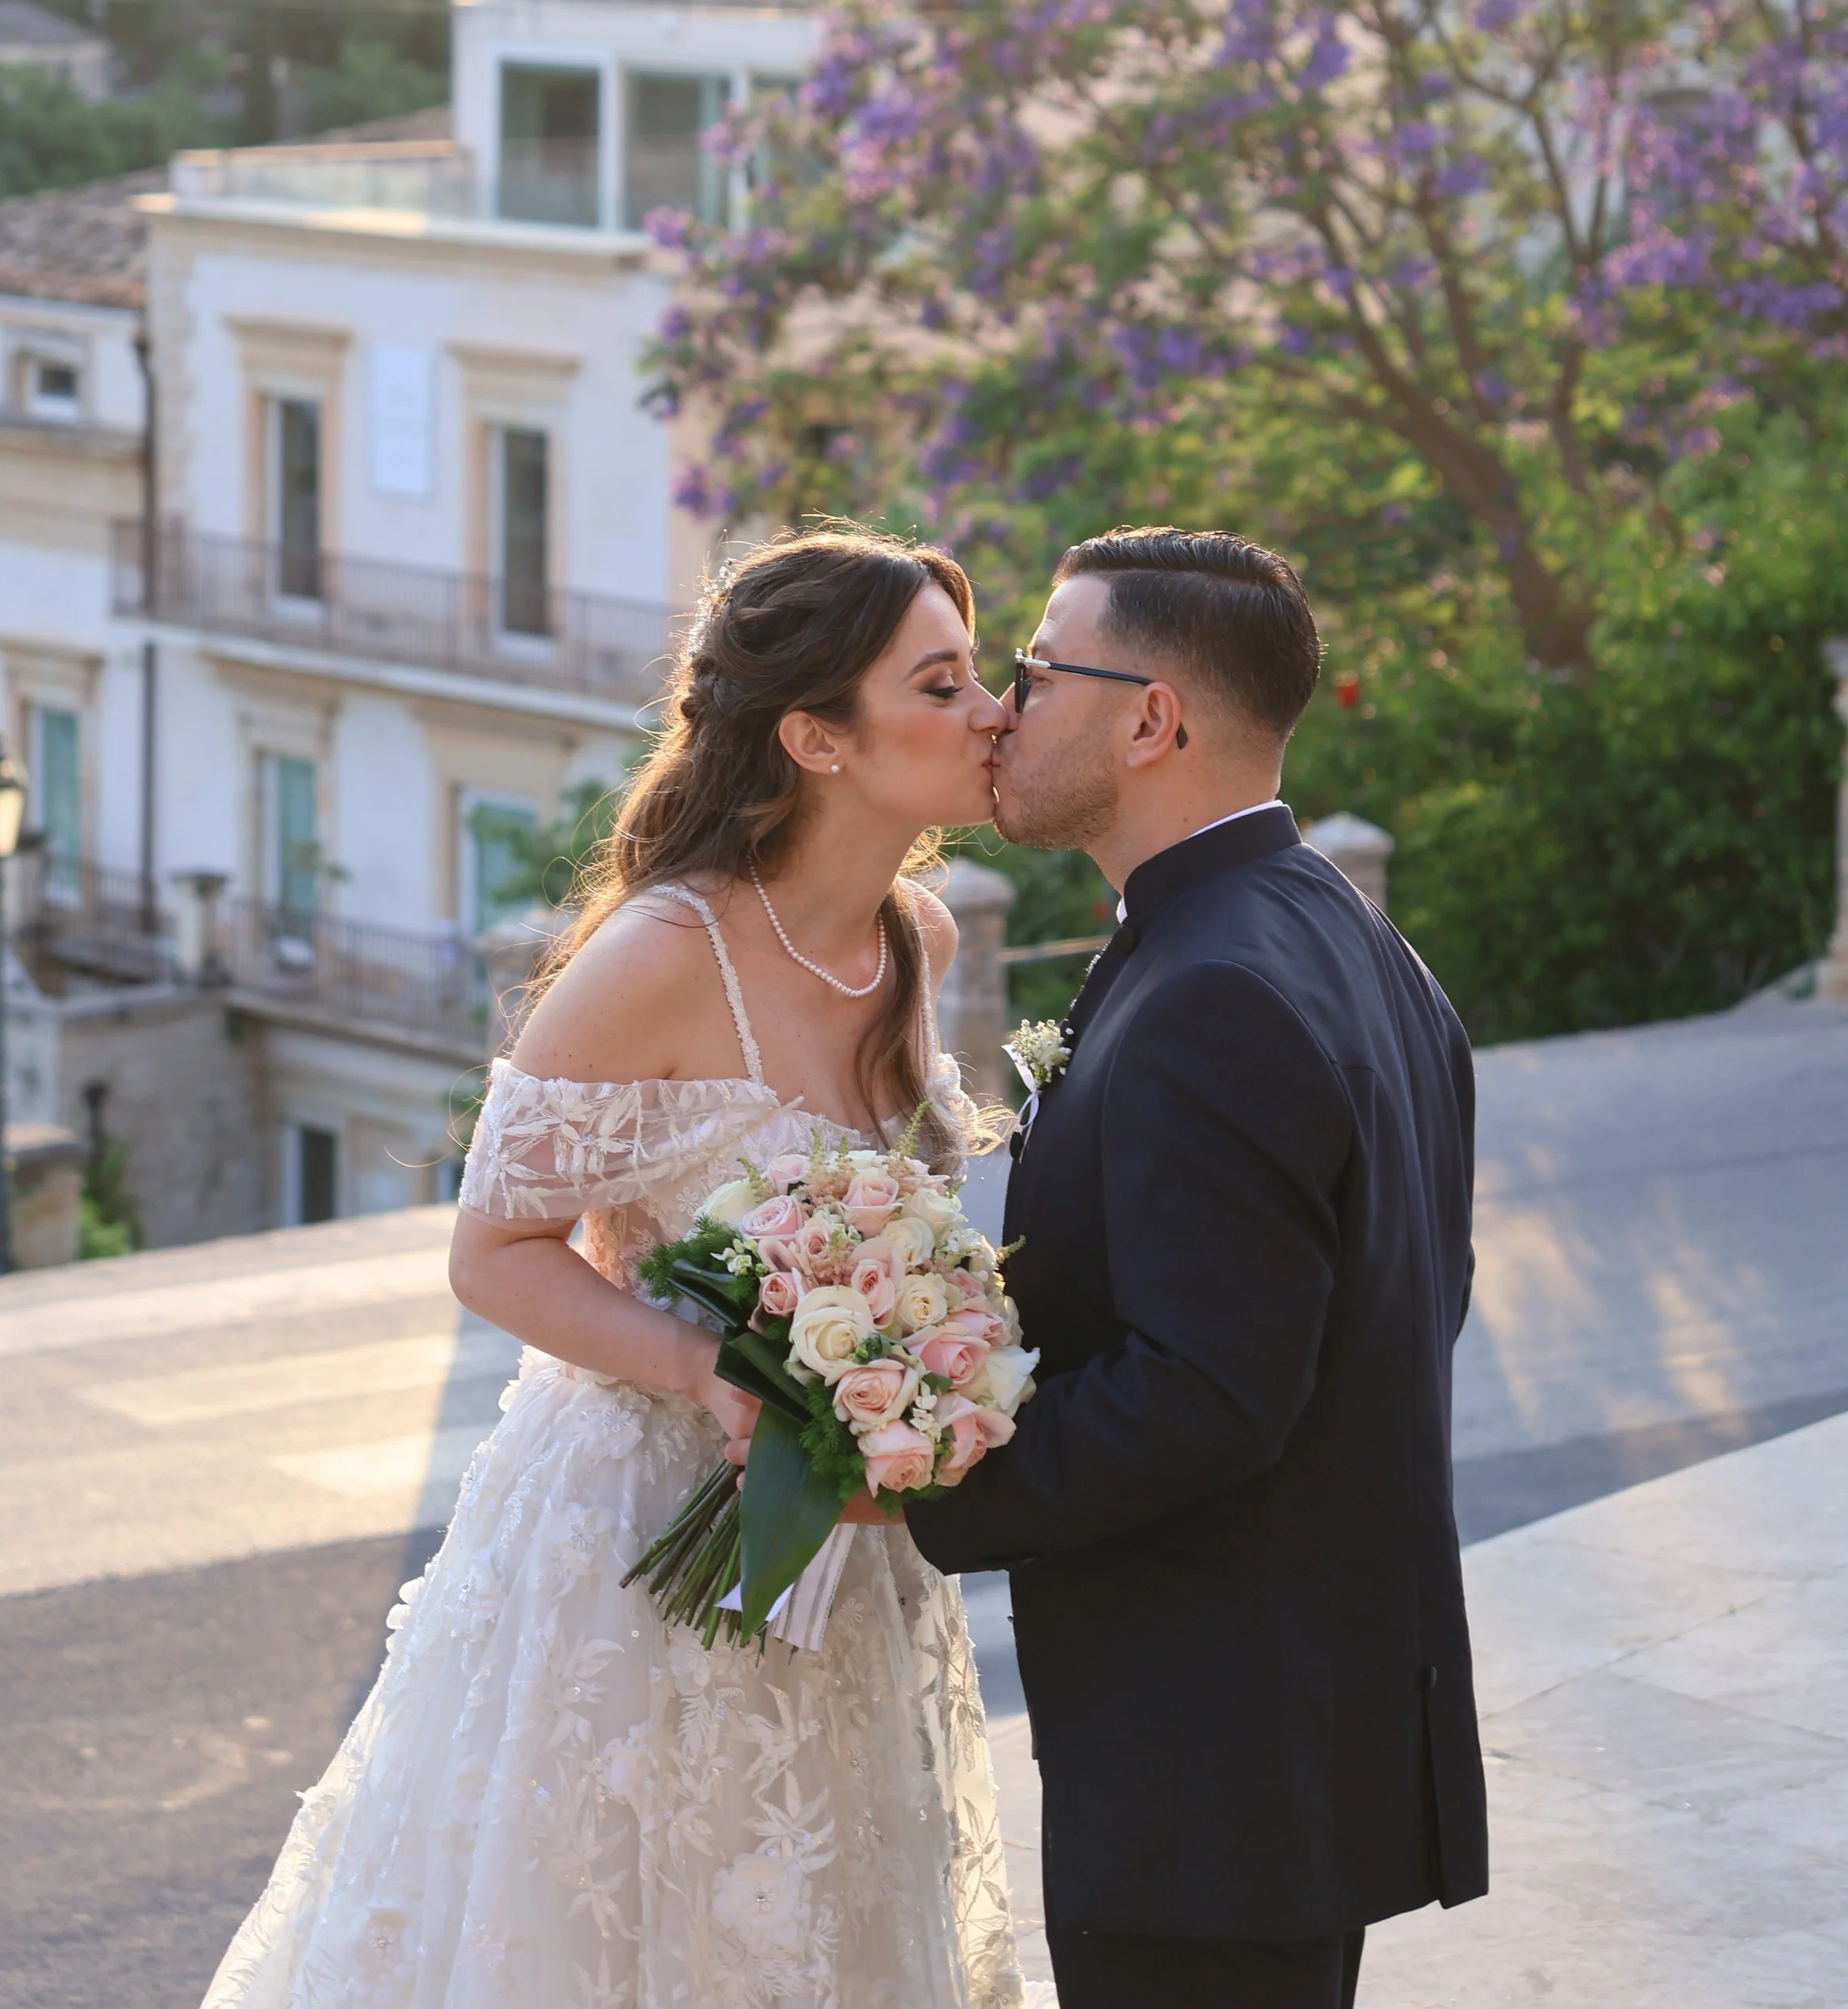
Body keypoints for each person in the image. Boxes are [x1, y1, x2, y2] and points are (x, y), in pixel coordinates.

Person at [200, 527, 1023, 2009]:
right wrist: (714, 1369)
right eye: (946, 683)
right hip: (634, 1537)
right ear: (817, 736)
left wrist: (909, 1367)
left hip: (841, 1556)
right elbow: (493, 1249)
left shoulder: (921, 940)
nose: (996, 712)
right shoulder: (660, 952)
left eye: (984, 678)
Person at [906, 527, 1487, 2009]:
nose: (1006, 706)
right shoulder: (1350, 938)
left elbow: (1213, 1389)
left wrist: (928, 1477)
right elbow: (1422, 1288)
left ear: (1152, 718)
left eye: (1035, 671)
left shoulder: (1213, 984)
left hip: (1211, 1755)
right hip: (1288, 1739)